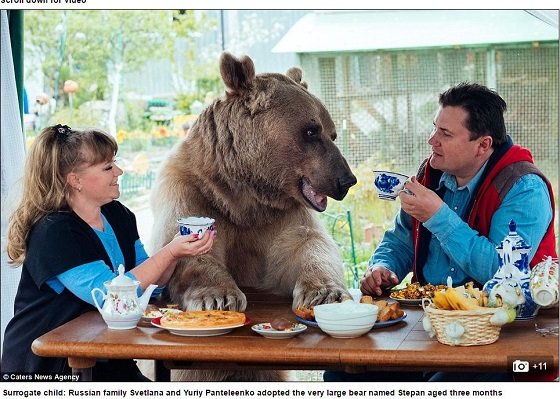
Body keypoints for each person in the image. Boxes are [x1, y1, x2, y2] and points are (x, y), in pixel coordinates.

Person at [325, 82, 557, 383]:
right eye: (435, 128)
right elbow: (400, 240)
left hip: (499, 335)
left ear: (483, 145)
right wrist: (383, 266)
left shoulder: (524, 188)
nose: (431, 140)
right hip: (429, 325)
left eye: (445, 134)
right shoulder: (430, 173)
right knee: (342, 376)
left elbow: (503, 272)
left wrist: (438, 216)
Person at [2, 124, 216, 381]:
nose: (119, 171)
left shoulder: (118, 214)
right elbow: (111, 296)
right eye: (107, 167)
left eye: (115, 163)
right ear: (75, 180)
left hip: (104, 355)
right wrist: (169, 252)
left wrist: (179, 251)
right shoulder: (55, 232)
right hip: (48, 368)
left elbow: (151, 285)